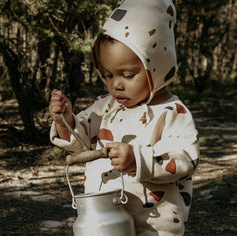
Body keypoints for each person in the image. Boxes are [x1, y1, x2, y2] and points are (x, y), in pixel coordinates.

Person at [49, 0, 199, 235]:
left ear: (157, 65)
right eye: (107, 75)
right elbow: (80, 143)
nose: (115, 84)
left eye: (128, 75)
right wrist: (65, 122)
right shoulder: (104, 107)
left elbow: (185, 160)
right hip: (103, 220)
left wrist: (138, 160)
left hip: (154, 226)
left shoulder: (173, 113)